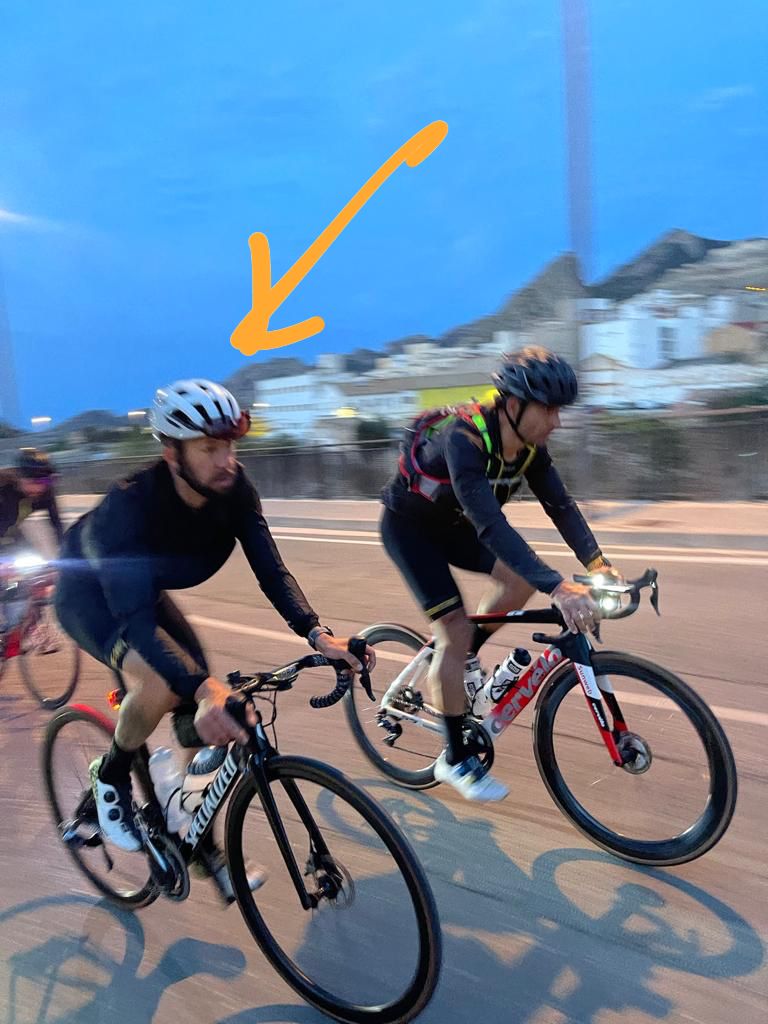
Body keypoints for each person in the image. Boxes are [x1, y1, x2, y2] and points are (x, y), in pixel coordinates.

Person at [55, 379, 374, 902]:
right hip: (89, 595)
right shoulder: (128, 506)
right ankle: (110, 776)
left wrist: (319, 634)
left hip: (141, 591)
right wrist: (202, 688)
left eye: (229, 445)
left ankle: (191, 837)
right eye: (209, 448)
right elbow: (136, 623)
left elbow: (272, 571)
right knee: (164, 684)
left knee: (207, 709)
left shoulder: (235, 489)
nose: (226, 460)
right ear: (172, 453)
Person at [380, 347, 621, 802]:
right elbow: (491, 525)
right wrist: (559, 585)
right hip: (410, 530)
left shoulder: (529, 448)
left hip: (455, 527)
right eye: (549, 410)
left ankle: (460, 660)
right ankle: (454, 758)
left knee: (520, 580)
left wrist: (598, 564)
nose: (557, 421)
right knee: (453, 630)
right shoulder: (464, 438)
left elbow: (560, 506)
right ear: (514, 405)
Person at [0, 448, 64, 552]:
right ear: (19, 478)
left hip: (11, 530)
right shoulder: (4, 489)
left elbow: (56, 522)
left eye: (46, 481)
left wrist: (64, 550)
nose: (39, 488)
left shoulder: (46, 493)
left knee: (27, 554)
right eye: (33, 482)